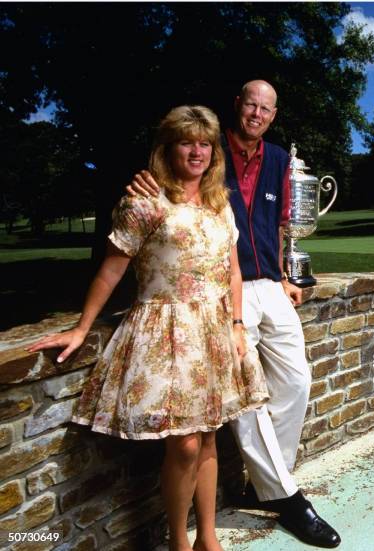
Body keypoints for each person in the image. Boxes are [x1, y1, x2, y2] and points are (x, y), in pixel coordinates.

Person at [27, 105, 269, 551]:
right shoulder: (144, 201)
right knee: (185, 446)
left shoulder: (219, 203)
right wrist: (82, 329)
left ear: (213, 152)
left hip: (214, 331)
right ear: (168, 147)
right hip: (165, 333)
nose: (196, 152)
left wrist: (237, 323)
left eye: (204, 144)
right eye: (186, 142)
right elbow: (111, 271)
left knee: (210, 438)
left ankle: (208, 538)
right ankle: (179, 541)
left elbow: (232, 271)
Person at [128, 80, 341, 548]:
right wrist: (143, 179)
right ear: (238, 106)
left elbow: (286, 221)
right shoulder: (207, 147)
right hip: (221, 290)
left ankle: (263, 482)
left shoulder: (281, 159)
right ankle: (285, 496)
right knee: (245, 397)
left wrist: (289, 271)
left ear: (273, 114)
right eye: (251, 104)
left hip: (269, 281)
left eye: (266, 108)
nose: (257, 114)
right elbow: (167, 177)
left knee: (297, 381)